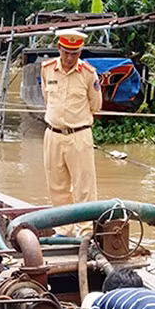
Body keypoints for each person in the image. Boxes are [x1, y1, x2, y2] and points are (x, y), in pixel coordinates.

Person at [40, 28, 102, 236]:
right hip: (53, 134)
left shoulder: (88, 73)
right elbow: (47, 99)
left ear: (80, 52)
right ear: (59, 48)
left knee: (84, 186)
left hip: (79, 135)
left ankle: (86, 231)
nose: (69, 57)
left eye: (74, 53)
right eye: (66, 52)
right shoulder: (47, 69)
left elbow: (96, 104)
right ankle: (63, 230)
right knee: (56, 186)